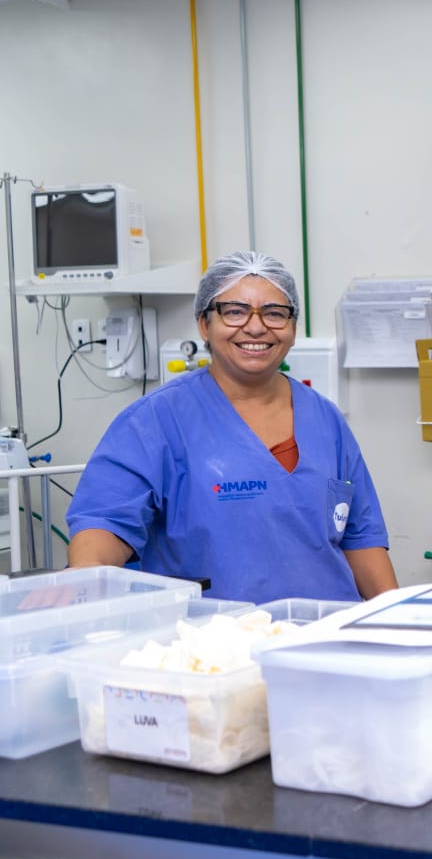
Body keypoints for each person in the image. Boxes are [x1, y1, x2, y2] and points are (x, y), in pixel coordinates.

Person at [66, 251, 397, 604]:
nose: (256, 327)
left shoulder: (325, 419)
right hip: (216, 633)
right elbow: (104, 524)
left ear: (292, 328)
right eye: (235, 311)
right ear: (204, 324)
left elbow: (361, 538)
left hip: (328, 628)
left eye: (274, 313)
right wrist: (84, 580)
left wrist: (398, 617)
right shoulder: (155, 420)